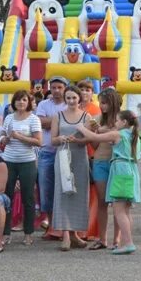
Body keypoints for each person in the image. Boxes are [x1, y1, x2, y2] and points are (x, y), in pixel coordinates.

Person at [77, 110, 141, 255]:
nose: (115, 124)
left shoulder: (117, 134)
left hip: (121, 171)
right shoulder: (133, 135)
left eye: (117, 121)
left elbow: (94, 137)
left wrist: (81, 127)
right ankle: (126, 241)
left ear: (124, 122)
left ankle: (128, 242)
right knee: (126, 210)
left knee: (119, 210)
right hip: (131, 171)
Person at [50, 85, 90, 251]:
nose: (72, 101)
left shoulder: (87, 117)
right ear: (65, 99)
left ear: (79, 98)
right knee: (63, 192)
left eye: (74, 98)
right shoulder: (58, 116)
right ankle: (65, 234)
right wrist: (61, 138)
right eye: (68, 98)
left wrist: (78, 140)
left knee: (79, 194)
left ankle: (74, 234)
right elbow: (52, 140)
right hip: (63, 157)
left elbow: (88, 139)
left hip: (80, 157)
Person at [0, 90, 42, 246]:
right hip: (8, 160)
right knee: (6, 197)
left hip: (27, 161)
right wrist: (5, 138)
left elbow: (39, 142)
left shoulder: (34, 119)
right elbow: (2, 137)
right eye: (18, 100)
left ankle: (28, 232)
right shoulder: (9, 118)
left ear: (29, 102)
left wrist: (20, 137)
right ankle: (5, 233)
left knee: (28, 198)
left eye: (24, 100)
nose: (21, 103)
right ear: (14, 102)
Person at [87, 88, 123, 250]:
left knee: (117, 202)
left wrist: (104, 131)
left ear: (113, 102)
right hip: (100, 161)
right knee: (102, 201)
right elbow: (94, 145)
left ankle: (117, 239)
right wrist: (93, 132)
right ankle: (102, 239)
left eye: (105, 102)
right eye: (101, 102)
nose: (102, 106)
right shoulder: (96, 120)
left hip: (118, 163)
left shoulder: (122, 120)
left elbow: (126, 135)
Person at [35, 76, 68, 235]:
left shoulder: (70, 103)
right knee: (46, 189)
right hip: (47, 151)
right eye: (53, 87)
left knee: (65, 188)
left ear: (65, 88)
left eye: (59, 87)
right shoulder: (43, 104)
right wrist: (61, 122)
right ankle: (51, 225)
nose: (56, 91)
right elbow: (39, 122)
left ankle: (64, 226)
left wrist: (52, 122)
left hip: (66, 152)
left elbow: (73, 122)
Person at [76, 79, 101, 242]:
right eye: (82, 89)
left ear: (92, 93)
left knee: (93, 194)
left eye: (88, 89)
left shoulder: (95, 109)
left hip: (91, 153)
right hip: (75, 153)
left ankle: (90, 230)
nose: (85, 92)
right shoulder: (73, 108)